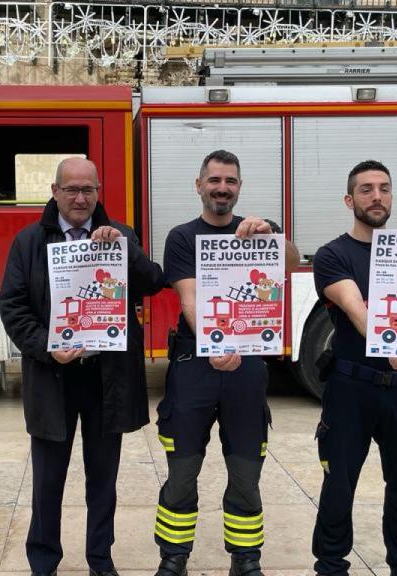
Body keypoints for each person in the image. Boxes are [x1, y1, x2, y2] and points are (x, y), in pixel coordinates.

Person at [0, 157, 164, 576]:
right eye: (71, 189)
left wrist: (124, 250)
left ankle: (100, 559)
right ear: (54, 192)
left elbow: (153, 282)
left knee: (103, 481)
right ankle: (43, 561)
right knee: (47, 481)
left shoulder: (120, 235)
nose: (79, 197)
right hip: (52, 376)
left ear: (98, 191)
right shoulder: (29, 241)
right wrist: (45, 347)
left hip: (106, 380)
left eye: (88, 189)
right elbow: (13, 307)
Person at [153, 150, 299, 576]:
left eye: (230, 181)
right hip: (195, 363)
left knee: (245, 471)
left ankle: (246, 558)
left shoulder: (257, 232)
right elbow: (189, 297)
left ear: (239, 187)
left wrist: (272, 234)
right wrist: (213, 342)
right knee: (182, 471)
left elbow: (292, 263)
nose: (222, 188)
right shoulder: (182, 237)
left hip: (247, 367)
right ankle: (174, 557)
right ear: (199, 185)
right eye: (214, 180)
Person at [310, 160, 397, 576]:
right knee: (339, 488)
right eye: (366, 189)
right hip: (352, 389)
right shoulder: (334, 255)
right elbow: (357, 309)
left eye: (384, 188)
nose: (377, 196)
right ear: (350, 200)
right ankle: (331, 566)